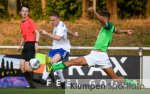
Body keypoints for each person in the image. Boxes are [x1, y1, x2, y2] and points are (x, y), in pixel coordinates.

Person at [47, 7, 137, 86]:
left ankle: (50, 67)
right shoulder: (111, 27)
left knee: (72, 62)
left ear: (106, 19)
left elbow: (102, 20)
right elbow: (117, 30)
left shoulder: (107, 24)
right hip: (100, 56)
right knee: (115, 79)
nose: (100, 20)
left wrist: (94, 12)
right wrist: (125, 31)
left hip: (98, 55)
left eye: (102, 17)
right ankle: (132, 83)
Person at [34, 11, 78, 89]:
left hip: (63, 48)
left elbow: (58, 38)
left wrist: (47, 33)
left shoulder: (61, 26)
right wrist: (74, 34)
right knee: (49, 61)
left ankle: (44, 79)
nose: (52, 22)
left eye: (53, 20)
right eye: (51, 20)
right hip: (55, 48)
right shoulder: (58, 24)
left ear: (58, 19)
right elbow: (67, 30)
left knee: (52, 62)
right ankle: (62, 81)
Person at [17, 5, 40, 88]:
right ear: (20, 12)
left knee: (27, 68)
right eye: (23, 11)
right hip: (26, 45)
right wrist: (20, 46)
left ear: (28, 13)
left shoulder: (30, 21)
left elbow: (37, 33)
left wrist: (36, 43)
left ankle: (41, 72)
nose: (24, 13)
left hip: (31, 45)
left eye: (26, 11)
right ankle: (32, 84)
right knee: (22, 68)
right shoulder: (21, 23)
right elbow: (24, 36)